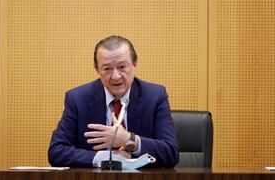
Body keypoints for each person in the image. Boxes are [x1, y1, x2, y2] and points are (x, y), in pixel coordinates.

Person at [48, 35, 179, 168]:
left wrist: (129, 140)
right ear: (97, 70)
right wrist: (104, 158)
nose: (116, 76)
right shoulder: (78, 99)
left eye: (122, 67)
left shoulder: (155, 96)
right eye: (107, 69)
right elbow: (56, 152)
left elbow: (171, 153)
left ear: (134, 64)